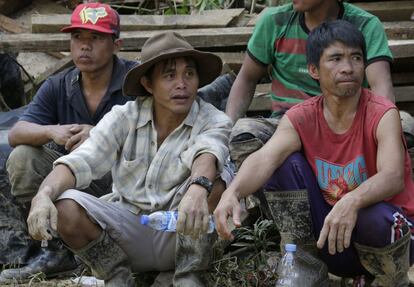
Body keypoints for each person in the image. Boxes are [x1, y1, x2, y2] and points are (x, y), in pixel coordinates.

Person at [214, 20, 414, 286]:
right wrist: (233, 192)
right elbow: (265, 158)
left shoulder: (382, 113)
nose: (348, 67)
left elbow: (392, 177)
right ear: (313, 70)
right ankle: (306, 264)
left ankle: (388, 280)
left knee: (371, 214)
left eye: (356, 58)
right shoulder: (302, 117)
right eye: (336, 58)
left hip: (392, 240)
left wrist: (351, 200)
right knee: (284, 163)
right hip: (332, 239)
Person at [25, 31, 232, 287]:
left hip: (181, 229)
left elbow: (208, 152)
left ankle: (188, 274)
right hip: (127, 232)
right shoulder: (124, 117)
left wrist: (198, 187)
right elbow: (82, 160)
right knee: (64, 204)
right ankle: (117, 276)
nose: (182, 83)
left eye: (189, 74)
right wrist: (42, 195)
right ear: (147, 84)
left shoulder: (213, 119)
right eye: (169, 75)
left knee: (217, 184)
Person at [0, 2, 137, 282]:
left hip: (123, 185)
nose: (84, 47)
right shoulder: (60, 84)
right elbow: (17, 132)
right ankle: (54, 250)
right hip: (69, 180)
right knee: (23, 157)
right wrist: (53, 131)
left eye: (95, 38)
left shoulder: (135, 80)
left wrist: (100, 133)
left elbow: (159, 135)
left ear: (116, 44)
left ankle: (99, 247)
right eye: (77, 38)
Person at [226, 0, 396, 169]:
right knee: (244, 134)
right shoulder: (275, 21)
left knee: (403, 130)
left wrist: (381, 128)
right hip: (285, 123)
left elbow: (381, 88)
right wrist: (226, 131)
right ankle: (261, 195)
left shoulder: (365, 24)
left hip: (349, 125)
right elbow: (246, 79)